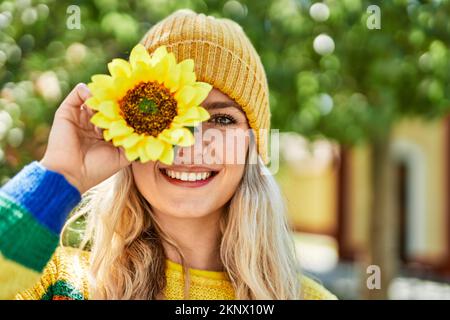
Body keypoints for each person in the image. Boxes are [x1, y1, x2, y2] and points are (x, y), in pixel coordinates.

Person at [0, 9, 336, 300]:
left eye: (221, 119)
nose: (188, 142)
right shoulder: (57, 282)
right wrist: (60, 175)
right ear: (127, 132)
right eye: (165, 114)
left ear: (252, 146)